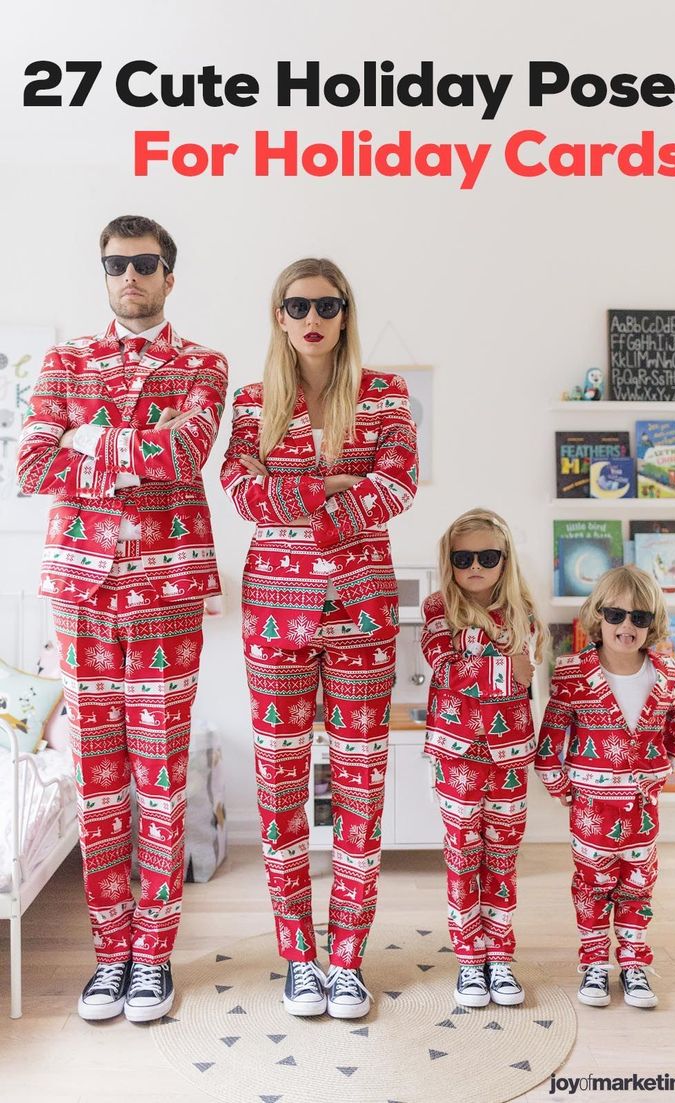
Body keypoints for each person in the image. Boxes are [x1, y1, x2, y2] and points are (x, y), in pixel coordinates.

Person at [16, 215, 228, 1022]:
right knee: (98, 783)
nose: (129, 276)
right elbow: (32, 464)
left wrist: (84, 431)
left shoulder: (205, 363)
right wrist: (125, 436)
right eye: (117, 264)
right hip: (82, 597)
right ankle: (112, 956)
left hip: (168, 595)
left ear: (170, 275)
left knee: (162, 781)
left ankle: (155, 957)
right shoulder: (66, 360)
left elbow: (188, 453)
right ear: (103, 273)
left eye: (145, 263)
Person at [220, 257, 418, 1019]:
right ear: (278, 314)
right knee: (280, 784)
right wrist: (337, 483)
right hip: (275, 609)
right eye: (297, 304)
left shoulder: (386, 394)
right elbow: (242, 493)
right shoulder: (250, 403)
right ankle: (299, 956)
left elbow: (398, 482)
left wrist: (297, 497)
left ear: (344, 312)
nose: (313, 316)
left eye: (327, 304)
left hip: (363, 608)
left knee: (362, 782)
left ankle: (347, 960)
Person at [535, 564, 675, 1010]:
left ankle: (635, 963)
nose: (627, 626)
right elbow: (551, 743)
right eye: (617, 614)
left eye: (640, 618)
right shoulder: (573, 673)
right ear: (597, 615)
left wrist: (664, 768)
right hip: (590, 810)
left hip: (643, 810)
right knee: (591, 886)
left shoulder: (664, 673)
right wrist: (569, 793)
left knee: (639, 885)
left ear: (652, 623)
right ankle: (595, 963)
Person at [420, 508, 546, 1008]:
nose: (475, 566)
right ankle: (470, 959)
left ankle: (500, 954)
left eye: (487, 557)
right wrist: (502, 666)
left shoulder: (524, 613)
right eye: (463, 557)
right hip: (455, 755)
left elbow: (521, 672)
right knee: (462, 855)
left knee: (503, 857)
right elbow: (443, 666)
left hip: (510, 754)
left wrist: (476, 658)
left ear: (504, 560)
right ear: (449, 562)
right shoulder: (437, 608)